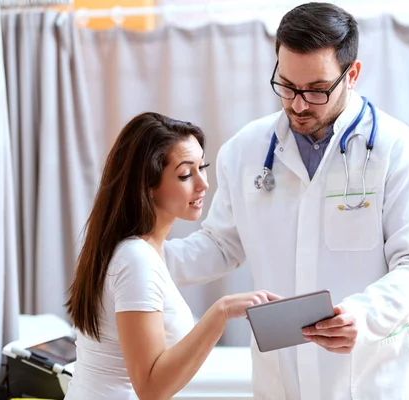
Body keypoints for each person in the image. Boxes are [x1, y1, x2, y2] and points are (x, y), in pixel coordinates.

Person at [163, 2, 409, 399]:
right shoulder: (245, 150)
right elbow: (221, 244)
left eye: (316, 90)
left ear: (352, 75)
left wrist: (363, 315)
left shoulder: (400, 153)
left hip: (368, 381)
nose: (298, 104)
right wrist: (142, 259)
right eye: (287, 86)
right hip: (279, 382)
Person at [63, 112, 278, 400]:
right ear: (147, 184)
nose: (203, 184)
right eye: (186, 174)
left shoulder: (134, 251)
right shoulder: (135, 259)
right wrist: (221, 311)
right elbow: (151, 388)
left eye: (203, 167)